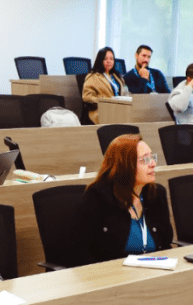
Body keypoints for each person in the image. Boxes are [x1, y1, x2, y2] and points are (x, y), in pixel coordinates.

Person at [73, 134, 173, 266]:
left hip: (152, 273)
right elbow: (80, 254)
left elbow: (165, 244)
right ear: (125, 165)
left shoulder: (156, 194)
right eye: (145, 160)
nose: (153, 164)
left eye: (152, 158)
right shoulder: (97, 197)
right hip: (111, 277)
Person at [82, 47, 127, 125]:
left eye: (111, 59)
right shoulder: (93, 76)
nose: (109, 61)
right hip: (102, 111)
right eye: (105, 59)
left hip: (119, 109)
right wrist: (105, 101)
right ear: (100, 60)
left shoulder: (117, 76)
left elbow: (124, 91)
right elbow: (86, 97)